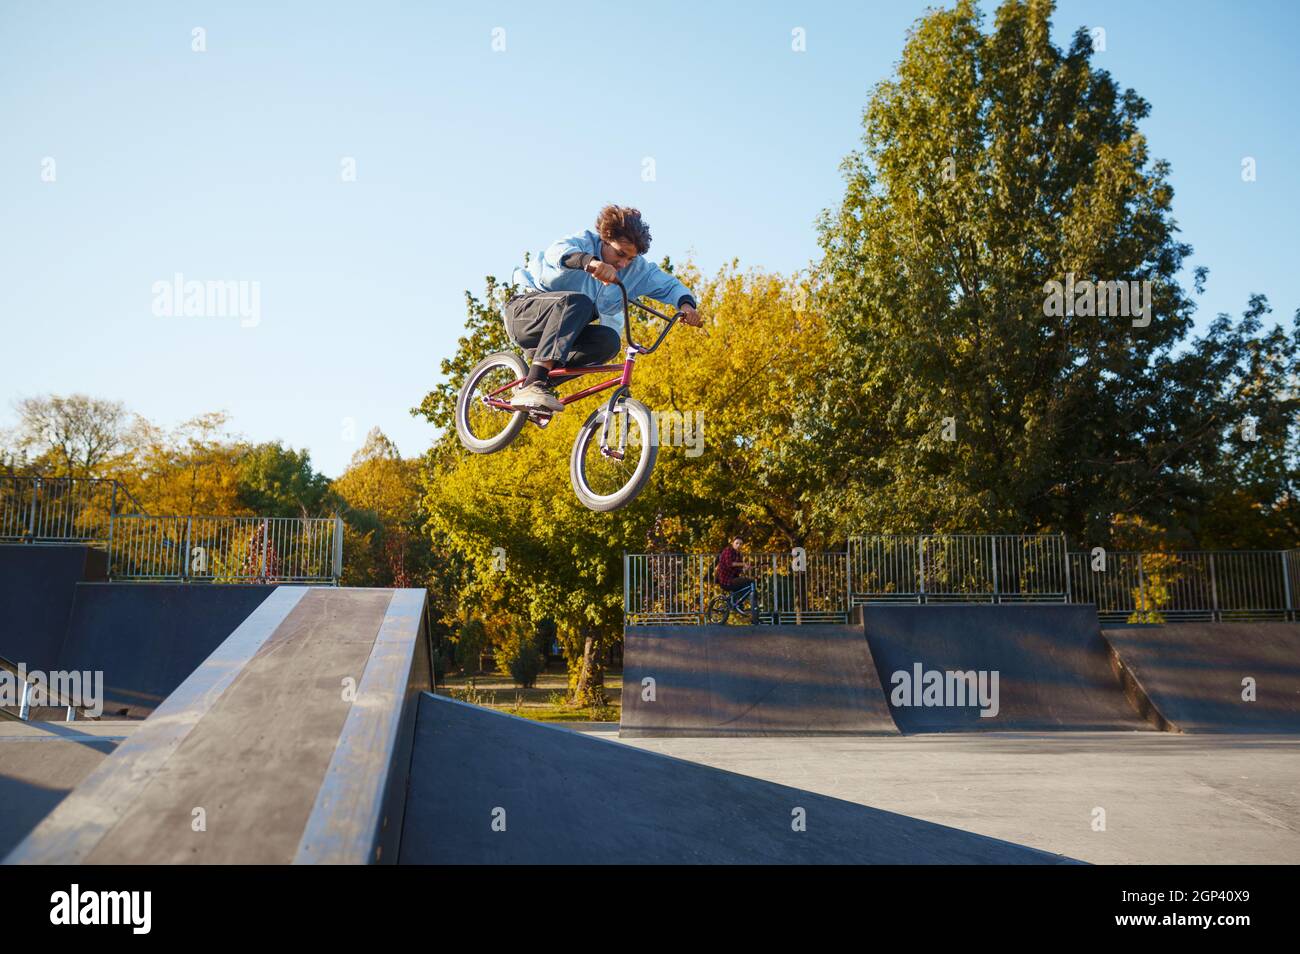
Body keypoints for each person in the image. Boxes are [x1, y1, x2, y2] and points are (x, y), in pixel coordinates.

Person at [505, 204, 703, 413]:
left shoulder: (637, 270)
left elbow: (669, 285)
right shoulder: (584, 241)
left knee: (608, 341)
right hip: (525, 314)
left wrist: (687, 306)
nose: (623, 264)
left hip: (560, 335)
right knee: (579, 302)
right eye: (620, 254)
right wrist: (591, 263)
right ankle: (533, 383)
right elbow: (558, 253)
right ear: (605, 239)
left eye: (630, 258)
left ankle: (541, 387)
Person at [715, 536, 758, 622]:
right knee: (750, 582)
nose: (739, 545)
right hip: (725, 581)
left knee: (749, 583)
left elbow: (737, 569)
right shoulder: (728, 550)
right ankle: (737, 602)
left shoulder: (738, 554)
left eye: (741, 544)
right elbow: (729, 564)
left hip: (732, 580)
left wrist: (745, 568)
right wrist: (742, 564)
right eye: (737, 543)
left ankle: (738, 603)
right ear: (733, 544)